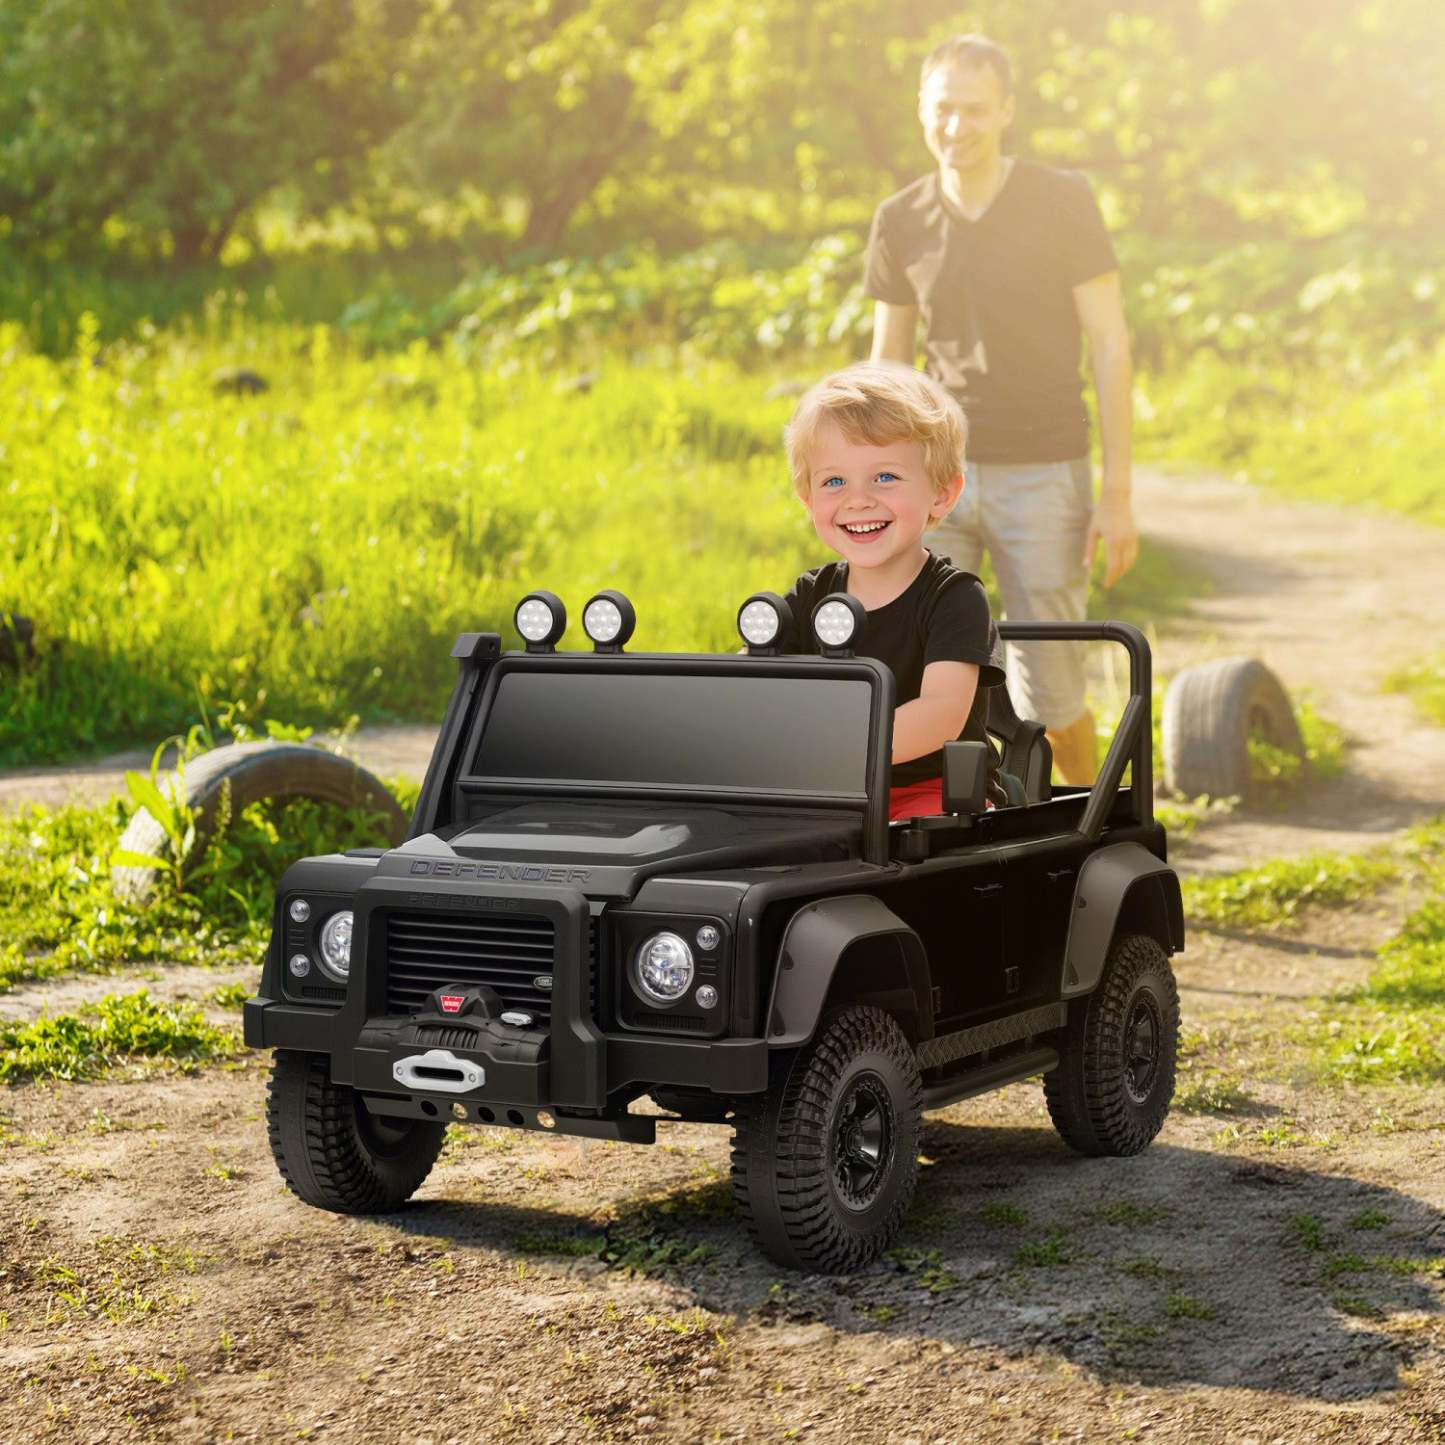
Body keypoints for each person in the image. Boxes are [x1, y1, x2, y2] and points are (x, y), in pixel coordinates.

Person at [865, 32, 1138, 785]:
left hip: (1043, 474)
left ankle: (1089, 829)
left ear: (1006, 111)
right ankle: (936, 841)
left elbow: (1110, 344)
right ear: (921, 109)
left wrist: (1115, 495)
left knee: (1047, 689)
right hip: (935, 479)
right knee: (920, 679)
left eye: (975, 111)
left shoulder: (1061, 200)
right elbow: (886, 371)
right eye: (943, 109)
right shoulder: (900, 219)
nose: (957, 127)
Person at [782, 362, 1005, 821]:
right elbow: (753, 684)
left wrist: (831, 748)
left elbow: (940, 713)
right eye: (834, 481)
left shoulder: (955, 597)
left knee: (915, 843)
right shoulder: (809, 595)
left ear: (942, 494)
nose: (858, 499)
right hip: (829, 790)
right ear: (808, 500)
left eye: (885, 477)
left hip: (935, 790)